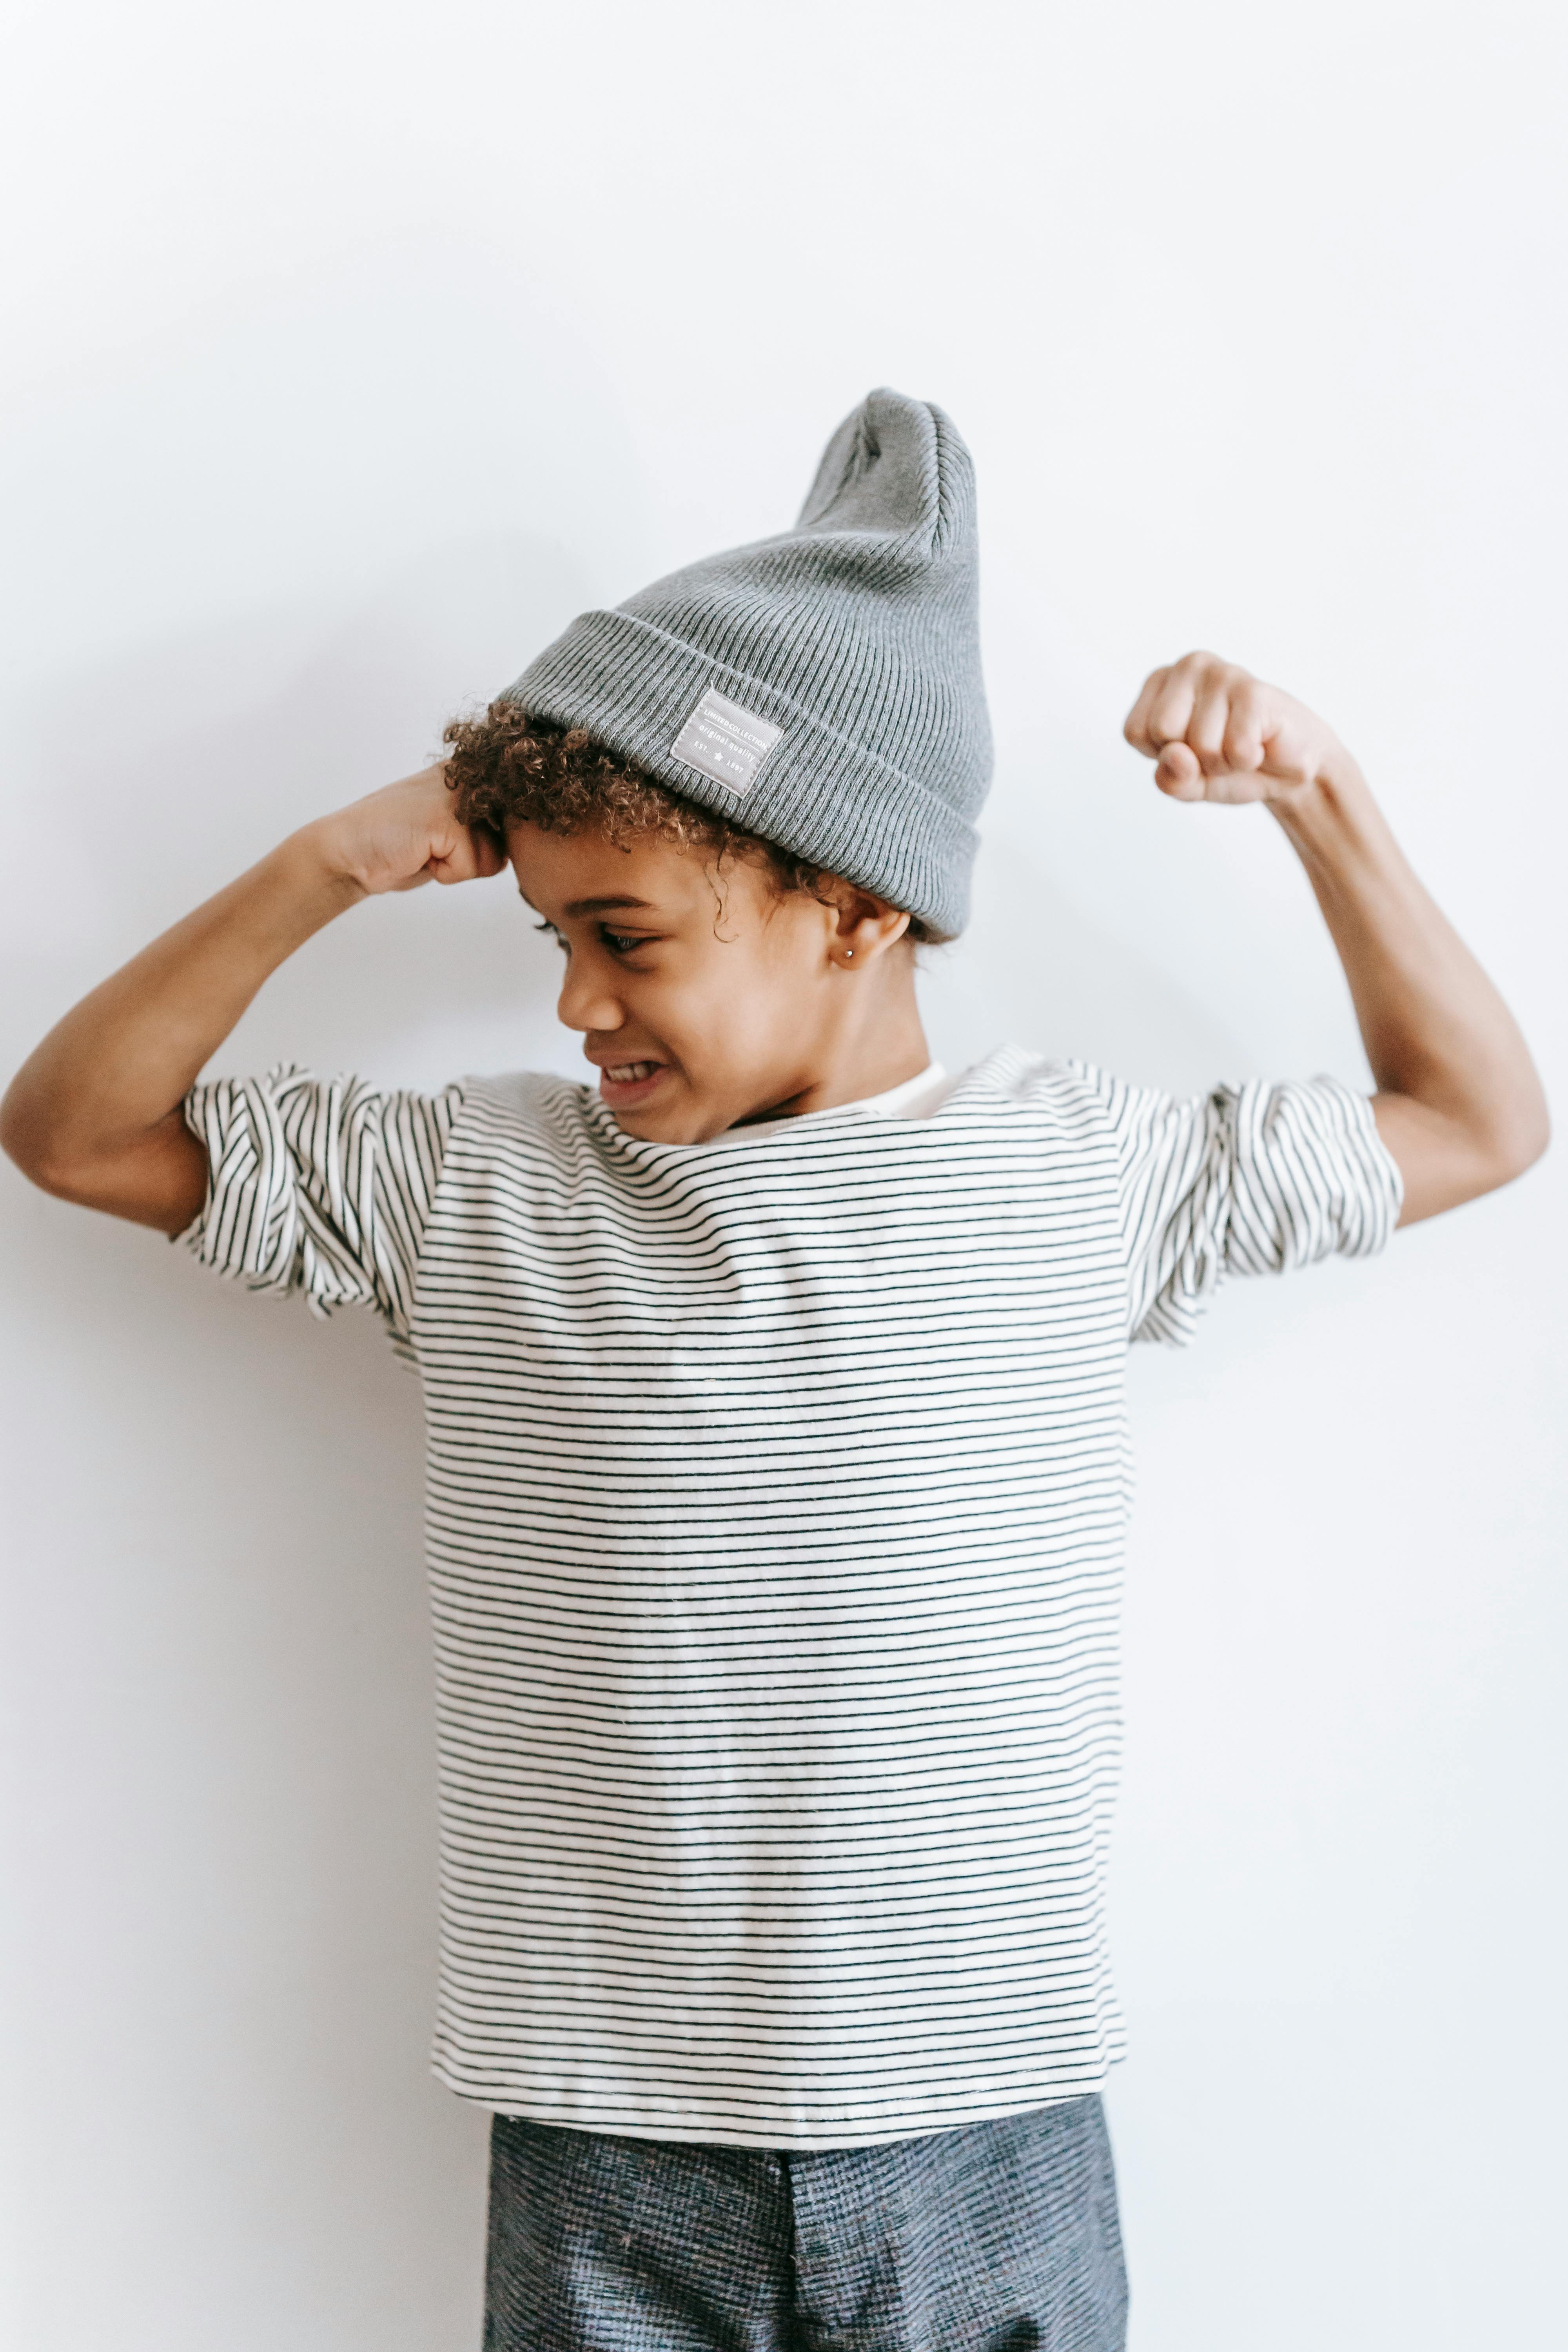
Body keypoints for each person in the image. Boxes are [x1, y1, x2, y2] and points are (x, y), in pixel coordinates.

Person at [0, 390, 1546, 2351]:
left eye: (625, 936)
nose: (575, 999)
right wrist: (319, 868)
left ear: (856, 902)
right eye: (554, 934)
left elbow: (1477, 1122)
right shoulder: (480, 1186)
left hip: (982, 2121)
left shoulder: (1072, 1173)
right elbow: (73, 1132)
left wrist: (1322, 796)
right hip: (606, 2135)